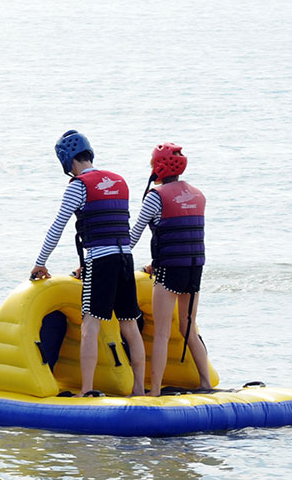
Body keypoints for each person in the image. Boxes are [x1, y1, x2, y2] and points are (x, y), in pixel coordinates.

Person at [30, 130, 146, 397]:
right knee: (129, 324)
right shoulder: (120, 181)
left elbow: (57, 227)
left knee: (90, 325)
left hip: (100, 261)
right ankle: (139, 389)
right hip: (126, 258)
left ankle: (86, 389)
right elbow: (118, 225)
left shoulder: (78, 186)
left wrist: (40, 263)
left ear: (66, 160)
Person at [129, 143, 211, 396]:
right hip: (194, 268)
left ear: (158, 167)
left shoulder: (155, 196)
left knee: (163, 332)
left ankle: (154, 390)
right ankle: (206, 383)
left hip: (169, 270)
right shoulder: (199, 194)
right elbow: (184, 231)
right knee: (189, 326)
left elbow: (133, 237)